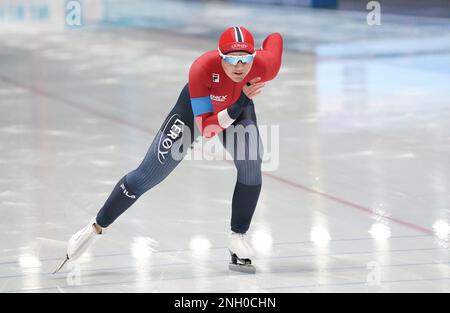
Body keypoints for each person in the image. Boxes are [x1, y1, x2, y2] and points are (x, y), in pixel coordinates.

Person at [55, 26, 283, 274]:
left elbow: (276, 39)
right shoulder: (202, 68)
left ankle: (237, 237)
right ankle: (96, 226)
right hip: (196, 114)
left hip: (238, 111)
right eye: (232, 60)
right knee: (147, 176)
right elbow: (207, 128)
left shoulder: (264, 65)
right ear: (220, 57)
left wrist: (252, 70)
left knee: (252, 162)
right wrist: (240, 100)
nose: (239, 67)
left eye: (245, 59)